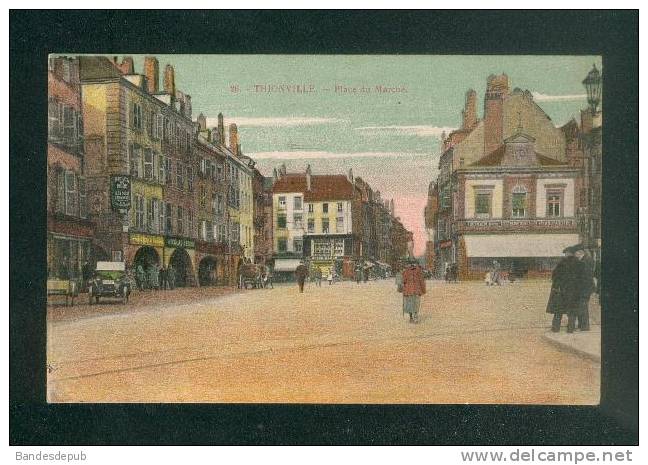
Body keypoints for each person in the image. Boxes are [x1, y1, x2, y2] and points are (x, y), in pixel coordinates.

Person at [397, 258, 427, 323]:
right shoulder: (419, 270)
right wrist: (423, 290)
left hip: (408, 291)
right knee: (416, 304)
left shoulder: (406, 271)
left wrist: (400, 288)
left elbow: (403, 281)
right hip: (416, 290)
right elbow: (422, 281)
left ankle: (411, 318)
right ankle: (415, 316)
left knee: (409, 304)